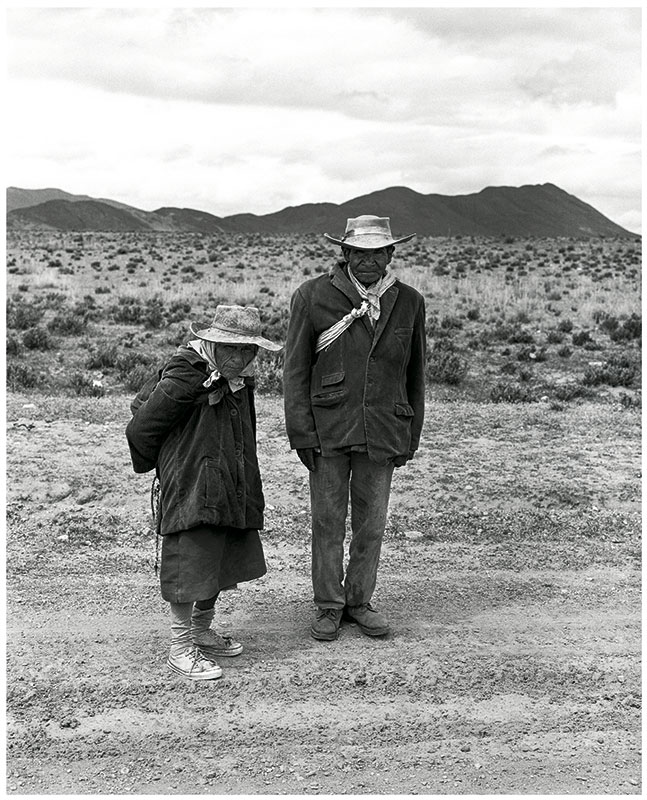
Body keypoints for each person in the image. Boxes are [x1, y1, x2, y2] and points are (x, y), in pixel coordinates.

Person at [283, 215, 426, 641]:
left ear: (390, 255)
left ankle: (359, 601)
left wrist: (410, 434)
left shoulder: (409, 302)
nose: (368, 260)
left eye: (377, 252)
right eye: (359, 252)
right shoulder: (312, 297)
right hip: (328, 428)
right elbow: (295, 370)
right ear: (344, 254)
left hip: (383, 428)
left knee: (372, 524)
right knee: (327, 521)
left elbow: (415, 374)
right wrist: (301, 433)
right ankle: (329, 605)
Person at [126, 305, 281, 680]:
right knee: (190, 563)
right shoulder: (187, 374)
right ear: (212, 343)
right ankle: (181, 649)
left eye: (249, 350)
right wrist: (172, 469)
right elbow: (140, 430)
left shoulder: (238, 376)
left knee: (220, 557)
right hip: (194, 484)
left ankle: (200, 631)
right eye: (234, 348)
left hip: (230, 479)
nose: (242, 357)